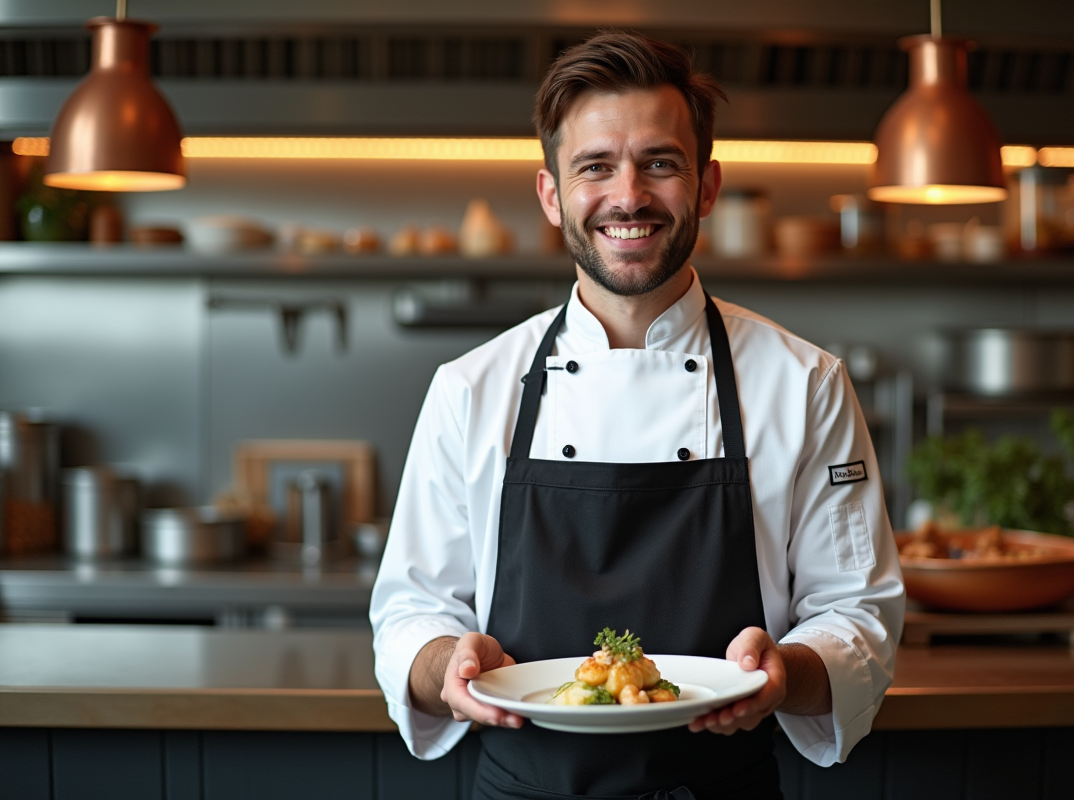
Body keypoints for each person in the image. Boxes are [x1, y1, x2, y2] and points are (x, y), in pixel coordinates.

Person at [371, 30, 904, 799]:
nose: (628, 197)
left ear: (708, 185)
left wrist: (788, 674)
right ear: (552, 195)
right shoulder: (470, 389)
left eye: (660, 163)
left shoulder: (805, 382)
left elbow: (858, 615)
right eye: (595, 167)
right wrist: (443, 666)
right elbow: (411, 613)